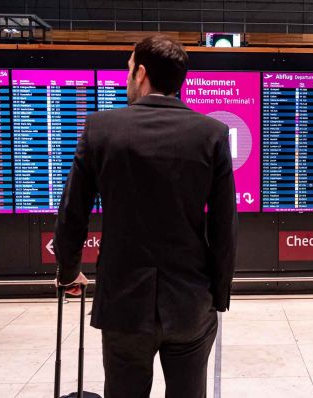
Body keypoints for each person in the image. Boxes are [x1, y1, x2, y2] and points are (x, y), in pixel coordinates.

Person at [53, 35, 238, 398]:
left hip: (124, 303)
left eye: (128, 69)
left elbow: (73, 213)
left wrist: (67, 271)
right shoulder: (212, 134)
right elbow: (224, 226)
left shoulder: (101, 129)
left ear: (141, 72)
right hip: (190, 302)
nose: (126, 78)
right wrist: (217, 294)